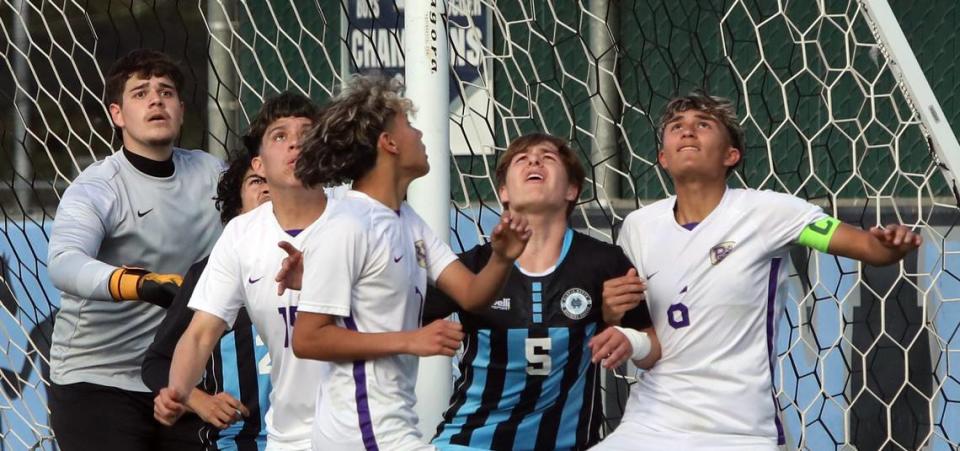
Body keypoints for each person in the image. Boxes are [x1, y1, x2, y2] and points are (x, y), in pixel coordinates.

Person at [595, 92, 923, 450]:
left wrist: (888, 246)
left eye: (702, 125)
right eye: (676, 127)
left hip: (738, 432)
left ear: (730, 155)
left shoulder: (770, 212)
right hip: (650, 425)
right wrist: (612, 316)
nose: (687, 132)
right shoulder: (638, 227)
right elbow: (644, 338)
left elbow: (868, 248)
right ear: (662, 157)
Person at [272, 74, 531, 450]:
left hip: (386, 425)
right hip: (360, 429)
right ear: (388, 143)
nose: (420, 134)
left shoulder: (408, 221)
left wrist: (503, 258)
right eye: (408, 125)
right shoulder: (347, 224)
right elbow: (309, 338)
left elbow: (472, 295)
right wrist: (411, 340)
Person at [423, 132, 658, 451]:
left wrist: (626, 336)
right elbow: (395, 322)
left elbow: (652, 348)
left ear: (572, 190)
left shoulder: (604, 262)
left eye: (548, 157)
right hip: (469, 442)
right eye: (522, 159)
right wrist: (417, 337)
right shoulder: (472, 267)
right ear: (504, 192)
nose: (534, 160)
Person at [46, 49, 223, 451]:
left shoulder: (213, 175)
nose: (156, 100)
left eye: (166, 92)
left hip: (179, 377)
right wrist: (139, 285)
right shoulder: (97, 187)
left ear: (180, 109)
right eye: (140, 93)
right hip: (97, 379)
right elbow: (63, 263)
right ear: (118, 115)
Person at [153, 91, 335, 450]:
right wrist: (180, 392)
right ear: (259, 165)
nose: (296, 143)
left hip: (360, 426)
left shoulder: (359, 217)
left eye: (307, 134)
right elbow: (200, 334)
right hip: (288, 433)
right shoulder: (241, 236)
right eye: (280, 136)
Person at [142, 149, 271, 450]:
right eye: (255, 181)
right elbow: (157, 362)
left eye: (274, 181)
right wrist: (196, 399)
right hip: (237, 441)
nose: (267, 188)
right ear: (236, 206)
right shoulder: (210, 273)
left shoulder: (323, 257)